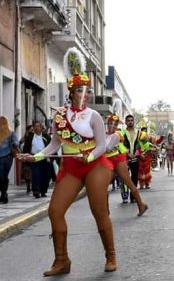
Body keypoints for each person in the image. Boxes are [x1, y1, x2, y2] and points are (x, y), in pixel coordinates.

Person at [17, 47, 117, 275]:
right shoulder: (60, 116)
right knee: (55, 210)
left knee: (98, 210)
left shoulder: (94, 116)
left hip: (94, 165)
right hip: (72, 167)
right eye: (80, 90)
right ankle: (62, 260)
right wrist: (36, 156)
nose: (85, 94)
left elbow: (102, 145)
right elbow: (55, 144)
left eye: (87, 91)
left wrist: (89, 155)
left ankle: (110, 255)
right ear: (71, 92)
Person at [104, 114, 148, 215]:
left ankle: (141, 205)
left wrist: (140, 152)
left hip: (118, 160)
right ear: (107, 124)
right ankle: (106, 211)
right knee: (104, 186)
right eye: (110, 123)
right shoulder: (102, 133)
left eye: (115, 124)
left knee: (130, 182)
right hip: (107, 161)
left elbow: (107, 148)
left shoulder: (117, 135)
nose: (112, 126)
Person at [21, 121, 52, 198]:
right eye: (35, 126)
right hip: (34, 158)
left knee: (45, 175)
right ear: (33, 128)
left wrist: (52, 158)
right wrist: (25, 157)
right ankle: (36, 191)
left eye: (38, 126)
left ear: (42, 128)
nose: (37, 128)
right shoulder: (30, 137)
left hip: (45, 158)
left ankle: (43, 191)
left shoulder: (46, 136)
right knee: (36, 174)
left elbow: (51, 147)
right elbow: (26, 148)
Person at [120, 115, 141, 203]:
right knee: (124, 177)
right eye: (128, 120)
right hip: (124, 158)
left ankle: (133, 197)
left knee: (135, 177)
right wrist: (127, 153)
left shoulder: (139, 132)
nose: (130, 122)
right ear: (125, 122)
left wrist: (138, 152)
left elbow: (142, 144)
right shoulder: (121, 132)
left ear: (134, 122)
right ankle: (125, 196)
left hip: (136, 157)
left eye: (131, 120)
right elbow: (119, 144)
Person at [0, 116, 19, 204]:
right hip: (8, 157)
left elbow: (15, 143)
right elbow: (16, 142)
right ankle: (4, 194)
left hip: (5, 157)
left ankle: (3, 194)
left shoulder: (10, 133)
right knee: (4, 176)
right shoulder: (11, 133)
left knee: (1, 176)